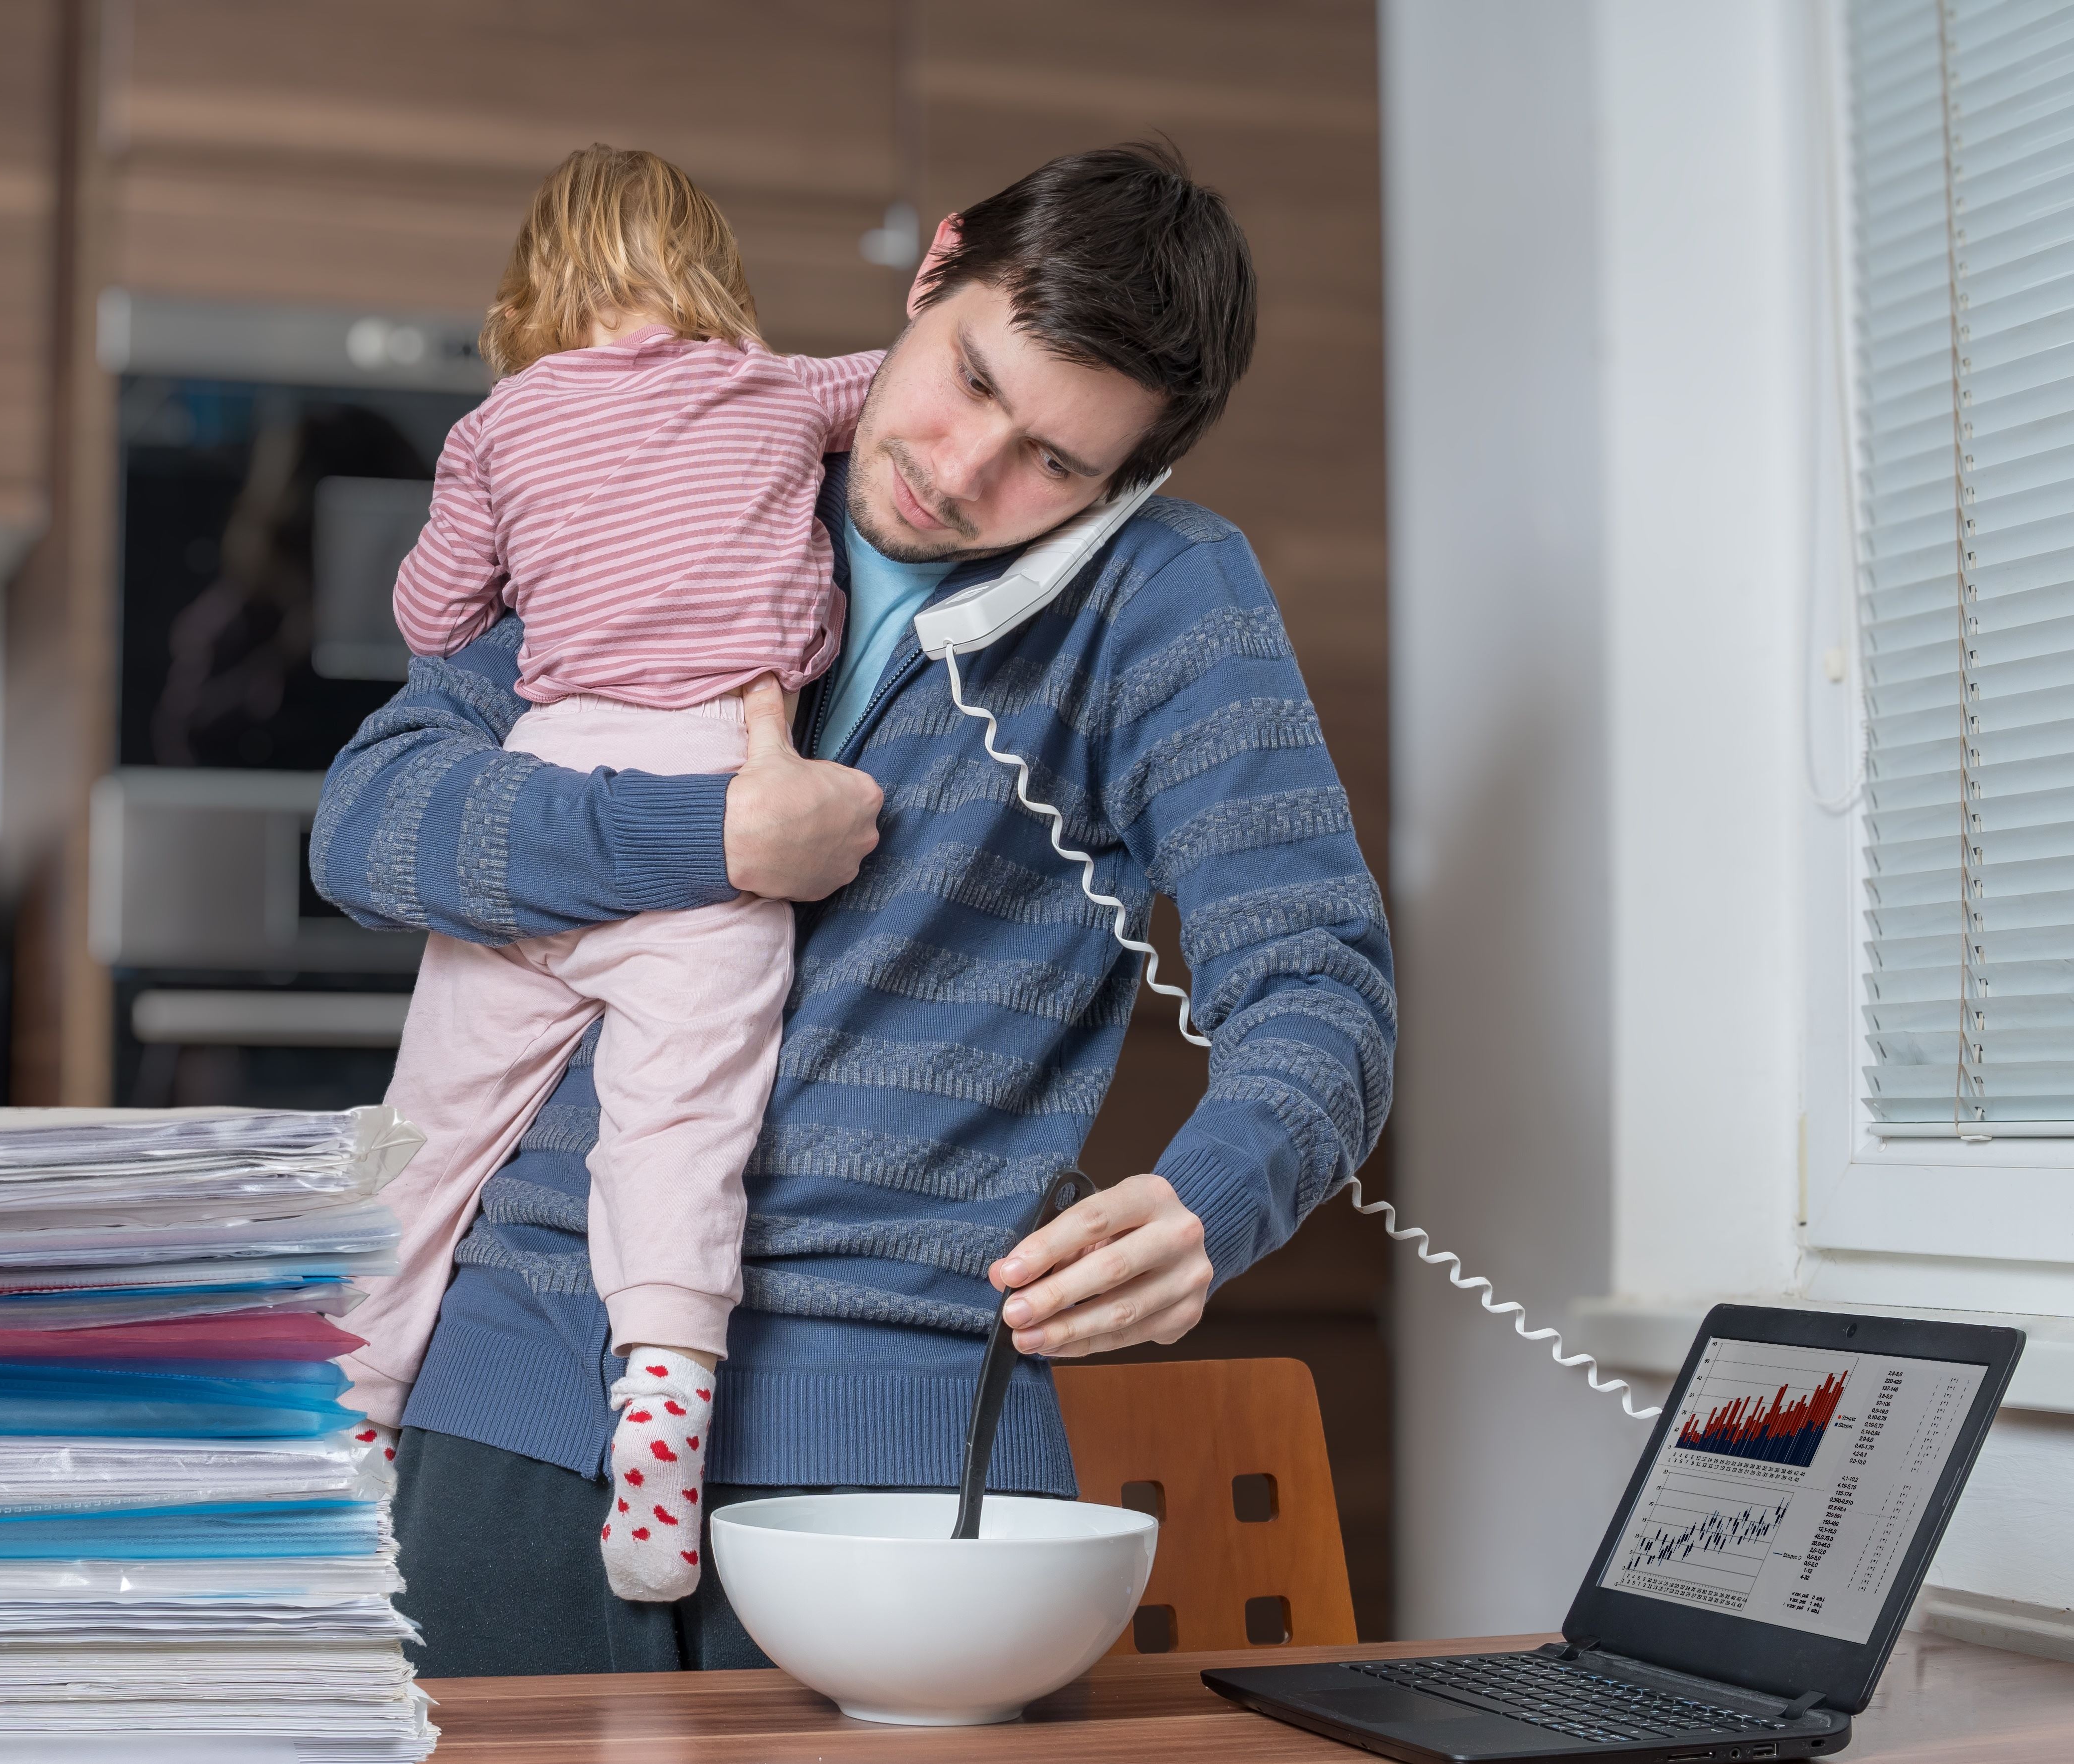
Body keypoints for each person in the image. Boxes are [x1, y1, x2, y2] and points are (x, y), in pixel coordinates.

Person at [310, 140, 1395, 1673]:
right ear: (935, 265)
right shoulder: (678, 453)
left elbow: (1319, 983)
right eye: (967, 378)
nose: (962, 471)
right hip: (510, 1407)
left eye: (1056, 465)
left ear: (1128, 484)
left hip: (896, 1454)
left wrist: (1216, 1194)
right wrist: (715, 834)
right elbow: (370, 823)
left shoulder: (1170, 601)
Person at [336, 143, 883, 1602]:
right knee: (678, 1127)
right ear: (711, 280)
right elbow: (906, 387)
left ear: (533, 292)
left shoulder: (498, 422)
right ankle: (662, 1410)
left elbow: (433, 614)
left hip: (548, 774)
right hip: (724, 778)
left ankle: (346, 1416)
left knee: (428, 1130)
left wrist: (540, 533)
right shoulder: (781, 390)